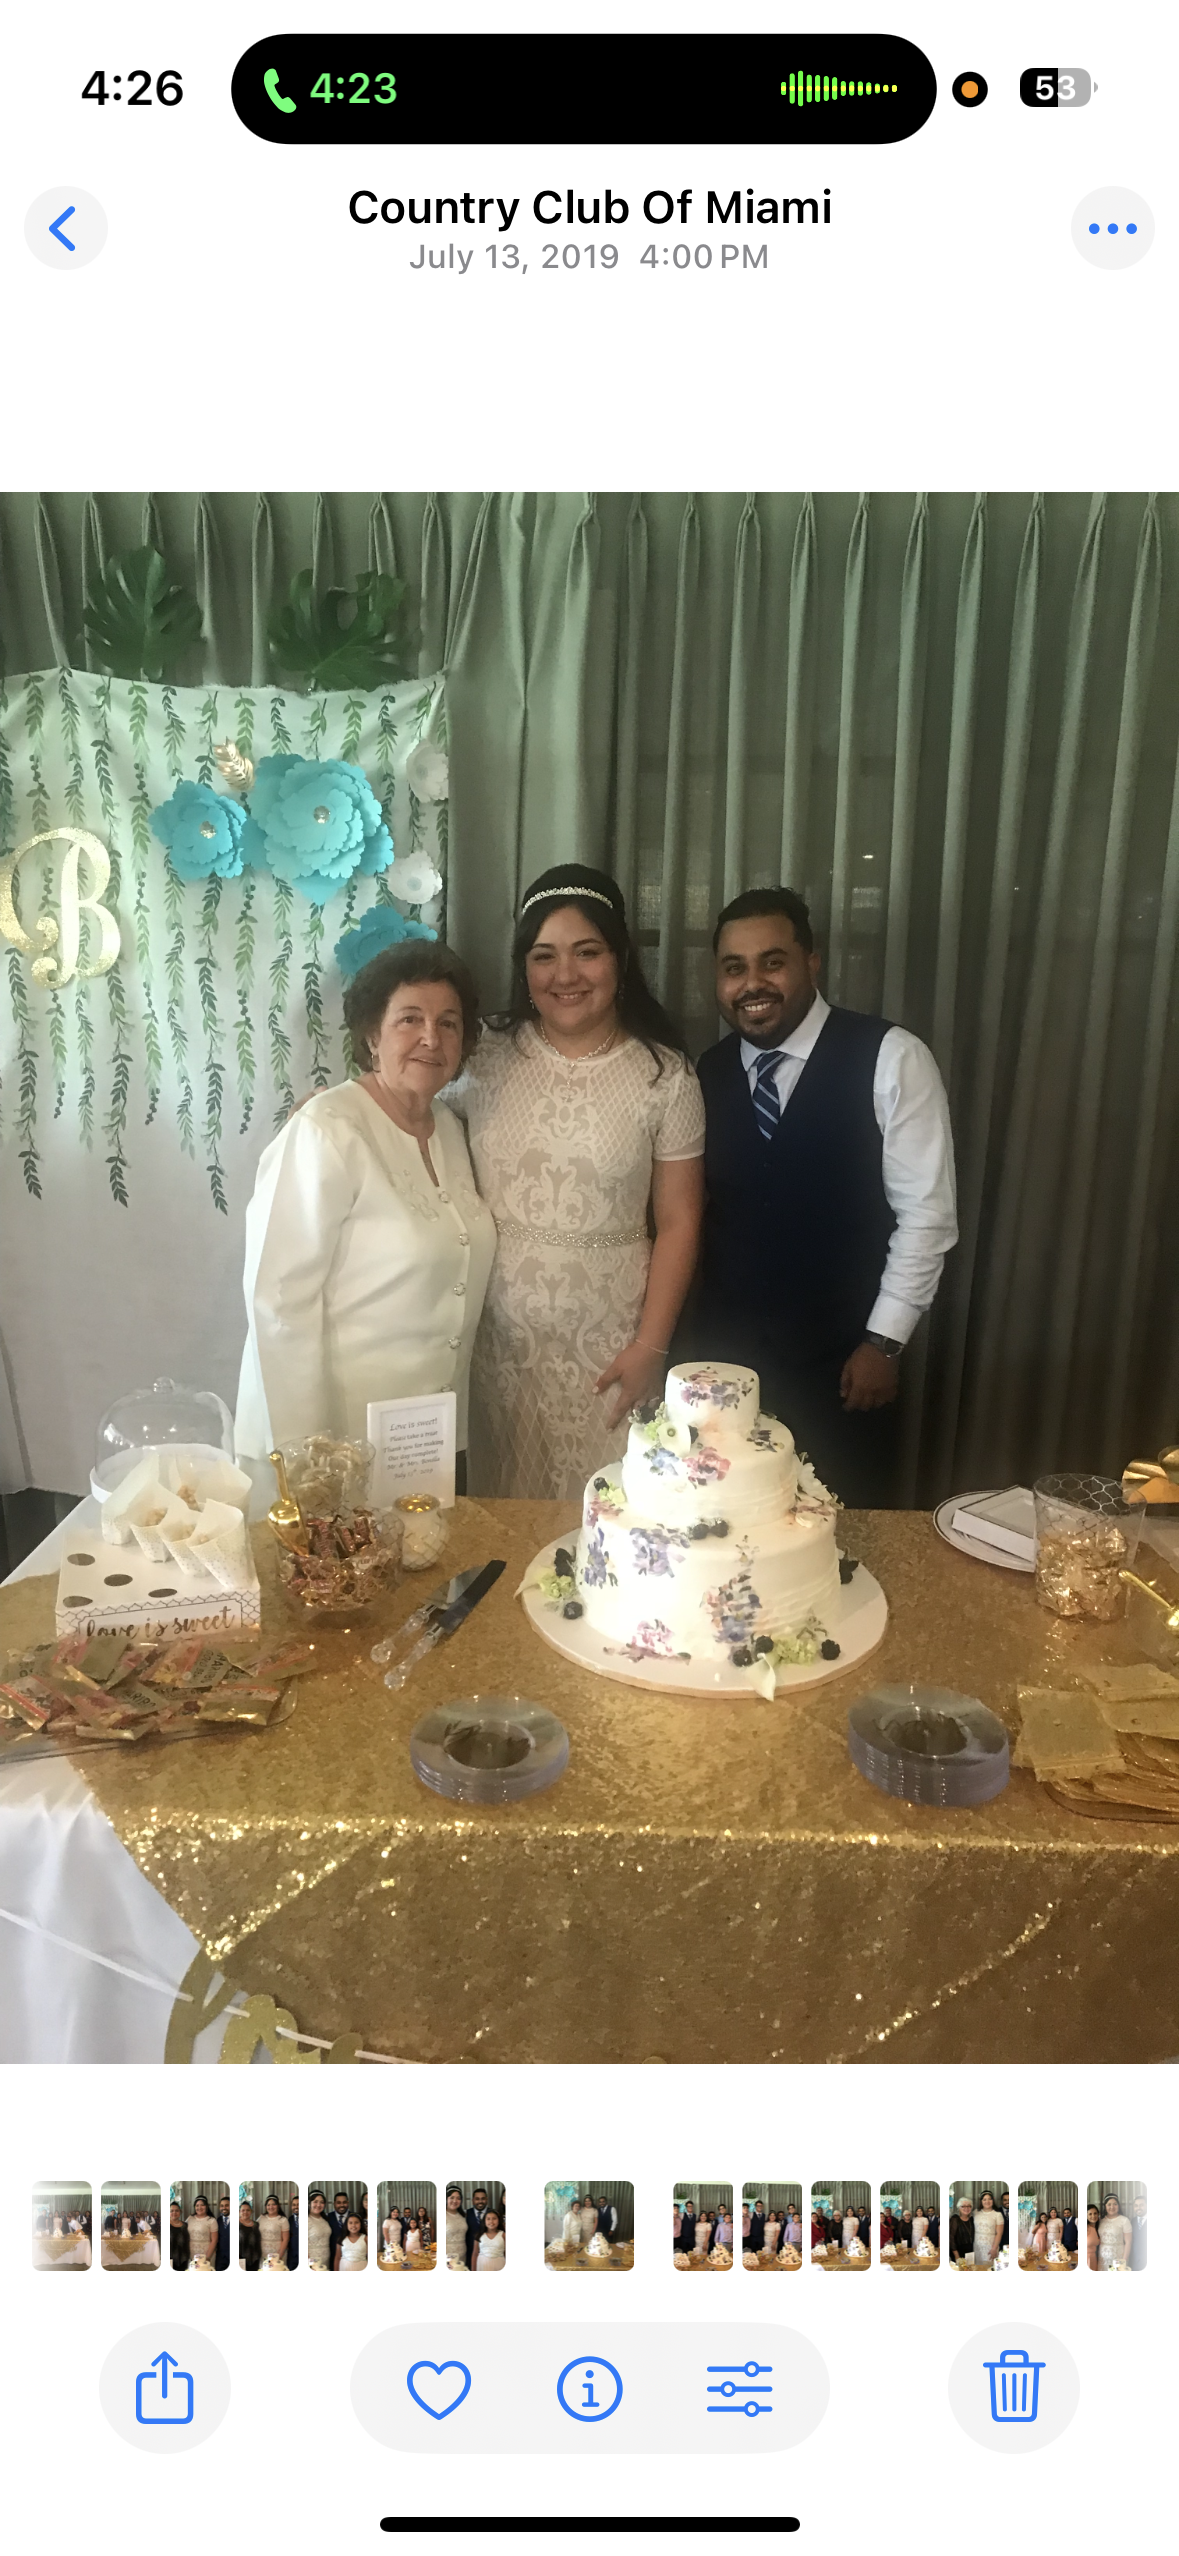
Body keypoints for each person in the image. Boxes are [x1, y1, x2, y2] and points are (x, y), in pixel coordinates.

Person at [683, 887, 957, 1506]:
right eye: (734, 968)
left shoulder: (891, 1057)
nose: (753, 983)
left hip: (846, 1366)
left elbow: (927, 1218)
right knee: (732, 1545)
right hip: (728, 1373)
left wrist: (884, 1341)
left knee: (841, 1541)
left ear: (812, 962)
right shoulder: (704, 1073)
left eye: (772, 961)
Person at [449, 866, 706, 1499]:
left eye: (586, 952)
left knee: (603, 1525)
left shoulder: (665, 1077)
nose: (565, 975)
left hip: (609, 1347)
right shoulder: (479, 1056)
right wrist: (343, 1107)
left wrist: (651, 1346)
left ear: (619, 959)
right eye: (545, 957)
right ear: (524, 968)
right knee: (496, 1517)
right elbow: (404, 1106)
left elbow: (679, 1221)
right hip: (491, 1345)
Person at [235, 942, 495, 1476]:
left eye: (449, 1023)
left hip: (427, 1439)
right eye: (410, 1019)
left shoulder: (449, 1126)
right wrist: (310, 1458)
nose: (431, 1037)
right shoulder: (326, 1129)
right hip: (337, 1446)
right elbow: (279, 1302)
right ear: (372, 1035)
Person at [1097, 2194, 1132, 2271]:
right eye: (1109, 2204)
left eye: (1115, 2204)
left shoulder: (1124, 2220)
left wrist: (1124, 2260)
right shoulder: (1100, 2221)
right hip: (1102, 2258)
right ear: (1105, 2206)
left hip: (1117, 2258)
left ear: (1118, 2206)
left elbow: (1128, 2242)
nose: (1112, 2207)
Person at [258, 2193, 290, 2269]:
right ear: (266, 2207)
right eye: (268, 2205)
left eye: (273, 2204)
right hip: (262, 2254)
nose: (271, 2207)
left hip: (277, 2254)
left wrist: (279, 2255)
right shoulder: (261, 2217)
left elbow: (285, 2239)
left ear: (278, 2206)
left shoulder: (283, 2220)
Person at [187, 2193, 217, 2271]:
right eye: (197, 2205)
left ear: (206, 2206)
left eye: (202, 2205)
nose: (199, 2207)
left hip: (206, 2255)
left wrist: (207, 2257)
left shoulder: (212, 2220)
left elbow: (214, 2241)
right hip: (191, 2254)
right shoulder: (190, 2218)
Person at [974, 2192, 1003, 2267]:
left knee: (989, 2268)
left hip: (990, 2247)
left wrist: (994, 2248)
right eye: (984, 2199)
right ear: (981, 2201)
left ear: (993, 2200)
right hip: (976, 2246)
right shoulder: (975, 2212)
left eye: (989, 2199)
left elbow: (999, 2233)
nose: (987, 2202)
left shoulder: (998, 2215)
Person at [307, 2190, 333, 2271]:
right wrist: (309, 2264)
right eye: (315, 2202)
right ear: (309, 2203)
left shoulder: (326, 2219)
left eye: (322, 2202)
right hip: (313, 2264)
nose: (318, 2205)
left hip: (326, 2261)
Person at [465, 2188, 490, 2270]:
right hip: (469, 2255)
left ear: (486, 2199)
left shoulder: (493, 2214)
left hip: (489, 2256)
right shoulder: (466, 2214)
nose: (480, 2201)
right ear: (473, 2200)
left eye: (483, 2199)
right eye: (477, 2199)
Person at [445, 2189, 469, 2270]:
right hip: (448, 2258)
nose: (455, 2201)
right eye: (452, 2197)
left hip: (462, 2256)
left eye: (458, 2198)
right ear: (446, 2199)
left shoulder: (463, 2216)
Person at [949, 2197, 975, 2266]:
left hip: (970, 2250)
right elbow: (951, 2238)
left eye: (969, 2206)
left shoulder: (972, 2219)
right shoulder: (955, 2219)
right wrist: (956, 2255)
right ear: (959, 2208)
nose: (966, 2208)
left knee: (970, 2268)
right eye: (963, 2206)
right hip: (958, 2250)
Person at [239, 2202, 262, 2273]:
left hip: (255, 2257)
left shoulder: (256, 2224)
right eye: (243, 2210)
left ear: (251, 2212)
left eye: (248, 2210)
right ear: (239, 2212)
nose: (245, 2212)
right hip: (240, 2258)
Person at [169, 2202, 190, 2273]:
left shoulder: (185, 2225)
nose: (174, 2212)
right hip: (170, 2258)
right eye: (171, 2211)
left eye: (177, 2210)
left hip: (184, 2257)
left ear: (180, 2212)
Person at [1130, 2191, 1148, 2271]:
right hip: (1134, 2265)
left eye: (1141, 2205)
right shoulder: (1132, 2222)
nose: (1138, 2208)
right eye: (1136, 2206)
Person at [215, 2195, 232, 2273]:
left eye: (227, 2205)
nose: (224, 2208)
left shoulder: (239, 2220)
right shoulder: (217, 2220)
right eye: (222, 2206)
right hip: (220, 2258)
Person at [287, 2187, 300, 2273]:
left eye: (298, 2204)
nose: (296, 2207)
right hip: (292, 2257)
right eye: (294, 2204)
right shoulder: (289, 2220)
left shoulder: (309, 2218)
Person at [1086, 2204, 1101, 2269]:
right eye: (1090, 2214)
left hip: (1095, 2258)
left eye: (1095, 2213)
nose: (1093, 2216)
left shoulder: (1099, 2228)